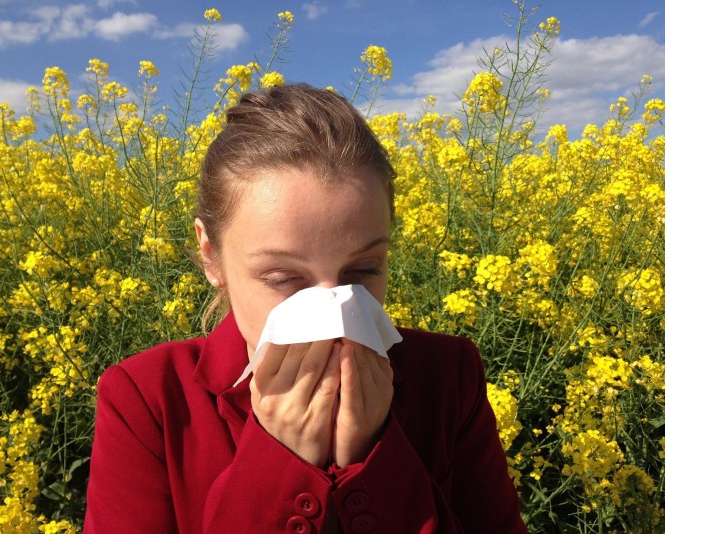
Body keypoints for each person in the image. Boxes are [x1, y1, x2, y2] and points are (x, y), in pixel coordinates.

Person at [83, 83, 527, 533]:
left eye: (363, 271)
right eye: (282, 278)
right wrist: (279, 461)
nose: (334, 313)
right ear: (210, 255)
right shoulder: (149, 400)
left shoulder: (447, 376)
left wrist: (374, 455)